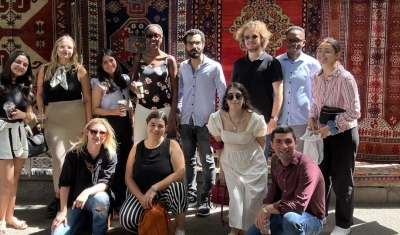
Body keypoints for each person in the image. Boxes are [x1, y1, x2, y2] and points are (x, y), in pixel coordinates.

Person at [308, 38, 361, 235]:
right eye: (319, 49)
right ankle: (320, 216)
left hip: (343, 135)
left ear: (337, 55)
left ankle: (344, 224)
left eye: (327, 51)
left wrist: (330, 127)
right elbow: (316, 102)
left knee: (342, 180)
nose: (322, 54)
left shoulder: (345, 78)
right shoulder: (316, 76)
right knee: (321, 177)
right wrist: (312, 118)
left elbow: (354, 111)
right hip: (323, 133)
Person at [36, 35, 92, 219]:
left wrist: (89, 123)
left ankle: (74, 197)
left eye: (69, 47)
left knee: (74, 157)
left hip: (76, 115)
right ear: (56, 49)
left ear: (73, 51)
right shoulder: (44, 69)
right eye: (62, 47)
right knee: (59, 159)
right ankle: (59, 196)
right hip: (54, 118)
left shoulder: (80, 70)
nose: (65, 50)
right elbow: (39, 94)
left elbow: (88, 99)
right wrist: (41, 115)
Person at [207, 82, 268, 234]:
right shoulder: (216, 118)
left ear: (244, 99)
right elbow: (218, 143)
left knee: (252, 200)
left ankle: (250, 230)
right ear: (226, 100)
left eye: (238, 96)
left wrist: (253, 161)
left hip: (253, 162)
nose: (234, 99)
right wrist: (221, 166)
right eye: (230, 96)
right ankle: (235, 230)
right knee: (235, 199)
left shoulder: (255, 119)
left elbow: (262, 143)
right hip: (230, 162)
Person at [177, 28, 226, 216]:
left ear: (203, 44)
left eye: (197, 42)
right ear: (186, 46)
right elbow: (181, 92)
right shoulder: (182, 67)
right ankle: (189, 194)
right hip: (185, 121)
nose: (194, 46)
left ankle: (206, 196)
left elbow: (223, 93)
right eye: (190, 43)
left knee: (207, 161)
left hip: (206, 123)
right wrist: (179, 111)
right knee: (188, 160)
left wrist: (217, 117)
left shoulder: (214, 67)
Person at [246, 125, 325, 235]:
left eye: (288, 141)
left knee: (290, 219)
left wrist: (268, 209)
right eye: (278, 142)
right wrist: (266, 210)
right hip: (282, 212)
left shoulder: (307, 166)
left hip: (309, 217)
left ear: (296, 143)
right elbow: (274, 190)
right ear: (271, 145)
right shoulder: (275, 160)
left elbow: (299, 205)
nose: (284, 146)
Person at [119, 110, 187, 235]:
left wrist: (154, 188)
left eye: (160, 126)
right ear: (146, 125)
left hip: (165, 192)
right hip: (142, 193)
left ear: (165, 128)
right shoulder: (136, 147)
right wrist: (141, 198)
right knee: (126, 219)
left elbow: (180, 173)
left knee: (179, 187)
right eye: (152, 124)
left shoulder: (172, 144)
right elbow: (128, 177)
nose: (156, 128)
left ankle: (180, 229)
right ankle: (151, 227)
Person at [50, 118, 117, 235]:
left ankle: (98, 232)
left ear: (106, 135)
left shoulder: (110, 155)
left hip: (95, 200)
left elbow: (106, 183)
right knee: (57, 233)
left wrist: (86, 192)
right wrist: (63, 211)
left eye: (102, 133)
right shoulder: (73, 153)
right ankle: (82, 220)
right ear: (87, 132)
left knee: (100, 198)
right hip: (74, 202)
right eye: (93, 131)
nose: (97, 135)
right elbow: (65, 183)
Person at [231, 20, 283, 157]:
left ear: (262, 38)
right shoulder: (238, 64)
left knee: (259, 163)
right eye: (246, 37)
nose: (250, 40)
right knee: (241, 162)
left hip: (263, 122)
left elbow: (278, 93)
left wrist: (273, 119)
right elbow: (232, 94)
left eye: (254, 36)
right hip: (240, 122)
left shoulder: (272, 62)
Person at [92, 49, 133, 215]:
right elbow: (95, 109)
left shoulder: (125, 79)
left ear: (117, 61)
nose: (109, 64)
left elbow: (129, 105)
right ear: (101, 66)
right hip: (109, 125)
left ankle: (125, 199)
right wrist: (112, 112)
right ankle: (113, 202)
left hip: (125, 124)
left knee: (126, 161)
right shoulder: (98, 82)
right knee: (112, 162)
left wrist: (133, 124)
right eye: (105, 62)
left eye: (112, 60)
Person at [0, 52, 35, 233]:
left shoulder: (25, 87)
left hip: (19, 134)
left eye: (25, 65)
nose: (20, 66)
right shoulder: (0, 83)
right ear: (10, 62)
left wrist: (24, 115)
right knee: (5, 181)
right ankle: (0, 221)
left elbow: (31, 116)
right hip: (2, 134)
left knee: (14, 180)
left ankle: (9, 216)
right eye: (18, 62)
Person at [130, 23, 178, 143]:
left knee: (158, 144)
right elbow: (133, 80)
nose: (153, 39)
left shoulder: (169, 60)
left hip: (164, 109)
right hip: (143, 107)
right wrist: (133, 85)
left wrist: (172, 117)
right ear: (145, 38)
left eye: (156, 35)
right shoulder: (138, 57)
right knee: (139, 143)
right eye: (149, 36)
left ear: (161, 38)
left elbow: (175, 91)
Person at [277, 26, 321, 152]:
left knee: (301, 158)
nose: (293, 44)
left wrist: (314, 117)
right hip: (281, 120)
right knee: (283, 157)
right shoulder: (276, 63)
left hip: (303, 120)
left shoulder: (312, 64)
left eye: (297, 40)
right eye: (290, 40)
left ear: (303, 42)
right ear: (285, 41)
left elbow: (317, 94)